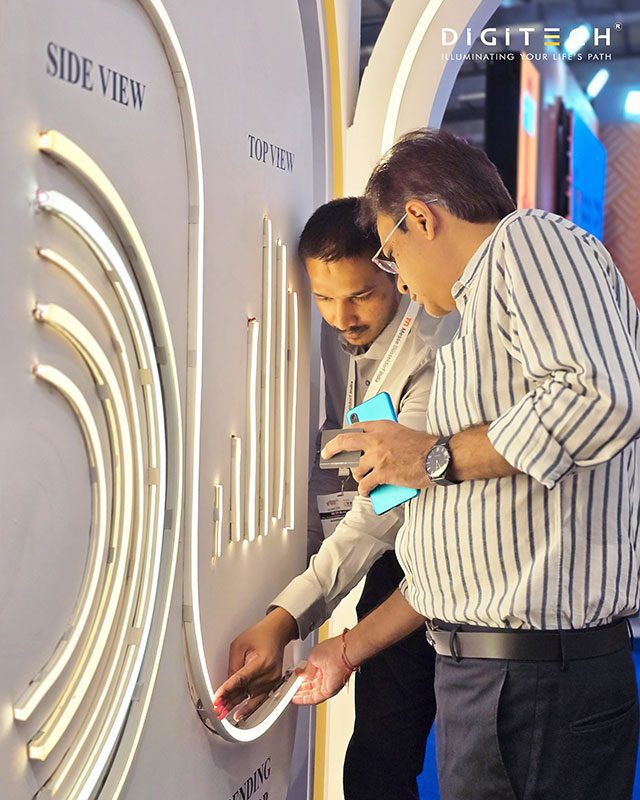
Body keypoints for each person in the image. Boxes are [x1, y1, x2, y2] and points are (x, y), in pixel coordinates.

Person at [294, 129, 640, 800]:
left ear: (420, 218)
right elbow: (461, 562)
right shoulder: (470, 322)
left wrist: (433, 456)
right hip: (498, 678)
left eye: (391, 256)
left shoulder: (527, 242)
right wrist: (344, 650)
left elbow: (603, 397)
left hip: (532, 684)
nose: (400, 281)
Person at [213, 197, 458, 800]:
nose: (341, 316)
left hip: (436, 555)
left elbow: (382, 512)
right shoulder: (316, 336)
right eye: (324, 297)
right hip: (383, 566)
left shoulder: (433, 352)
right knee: (374, 762)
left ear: (395, 270)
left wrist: (286, 617)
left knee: (449, 761)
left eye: (360, 296)